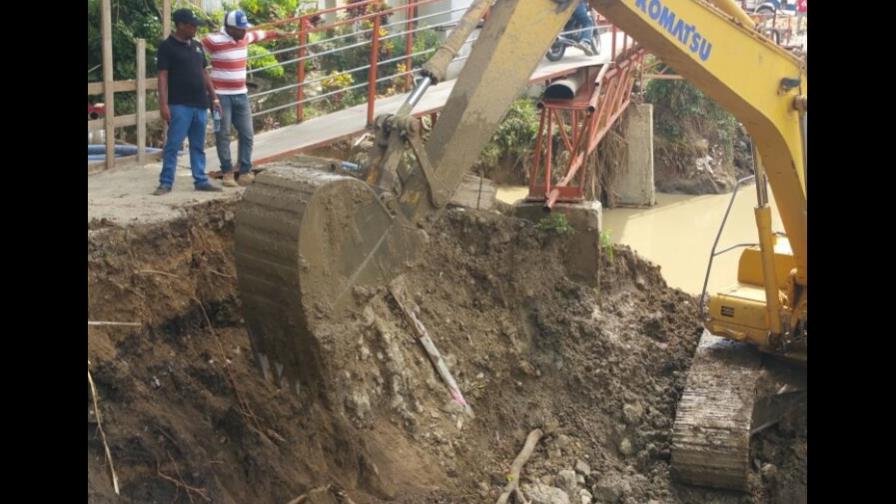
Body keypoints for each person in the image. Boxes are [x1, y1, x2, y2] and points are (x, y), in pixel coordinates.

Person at [202, 10, 286, 187]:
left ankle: (245, 171)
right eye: (240, 29)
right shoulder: (213, 41)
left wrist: (275, 33)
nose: (244, 32)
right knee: (223, 134)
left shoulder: (245, 37)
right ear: (230, 28)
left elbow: (260, 34)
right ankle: (227, 172)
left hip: (241, 94)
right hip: (220, 96)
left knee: (247, 133)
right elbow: (196, 50)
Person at [154, 8, 222, 195]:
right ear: (181, 25)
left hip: (200, 103)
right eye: (192, 25)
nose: (195, 28)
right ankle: (166, 182)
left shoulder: (197, 46)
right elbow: (162, 76)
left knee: (198, 145)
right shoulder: (167, 47)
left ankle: (200, 180)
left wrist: (214, 97)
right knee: (173, 145)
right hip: (179, 104)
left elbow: (204, 72)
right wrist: (163, 104)